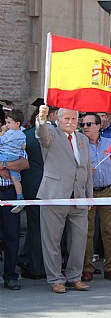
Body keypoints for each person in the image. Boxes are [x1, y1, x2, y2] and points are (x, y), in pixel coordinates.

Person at [36, 105, 92, 294]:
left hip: (79, 198)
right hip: (54, 195)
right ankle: (55, 279)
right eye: (66, 119)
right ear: (58, 120)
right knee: (51, 240)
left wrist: (89, 198)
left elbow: (87, 170)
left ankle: (74, 277)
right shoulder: (51, 133)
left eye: (74, 119)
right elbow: (41, 134)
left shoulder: (83, 139)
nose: (70, 122)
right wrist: (41, 119)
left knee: (79, 240)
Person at [80, 113, 111, 283]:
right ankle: (87, 268)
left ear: (98, 126)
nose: (85, 127)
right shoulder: (79, 145)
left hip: (108, 191)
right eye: (83, 124)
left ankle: (110, 266)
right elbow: (72, 167)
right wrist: (84, 172)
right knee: (87, 232)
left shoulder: (109, 144)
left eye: (89, 124)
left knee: (110, 231)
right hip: (88, 192)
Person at [0, 111, 29, 291]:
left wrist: (3, 166)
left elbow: (24, 164)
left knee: (11, 236)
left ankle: (10, 276)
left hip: (9, 192)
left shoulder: (13, 138)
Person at [17, 107, 47, 280]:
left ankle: (36, 267)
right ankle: (43, 265)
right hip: (53, 185)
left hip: (32, 185)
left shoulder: (26, 135)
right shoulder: (57, 135)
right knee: (51, 229)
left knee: (35, 227)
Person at [0, 110, 26, 213]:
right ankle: (20, 199)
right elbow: (23, 147)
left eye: (8, 123)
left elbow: (1, 141)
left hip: (5, 157)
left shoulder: (9, 133)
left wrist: (2, 132)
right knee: (16, 180)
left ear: (17, 123)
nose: (6, 125)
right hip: (14, 157)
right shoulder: (22, 134)